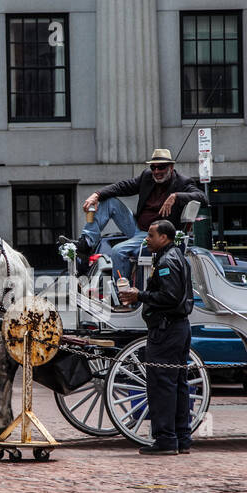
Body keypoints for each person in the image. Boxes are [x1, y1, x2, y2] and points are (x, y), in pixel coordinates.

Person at [73, 147, 206, 292]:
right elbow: (121, 187)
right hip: (137, 227)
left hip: (154, 235)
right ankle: (87, 242)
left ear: (171, 167)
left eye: (161, 167)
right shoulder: (147, 177)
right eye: (153, 167)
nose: (156, 171)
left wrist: (176, 196)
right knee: (109, 201)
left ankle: (122, 295)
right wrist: (96, 194)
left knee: (118, 251)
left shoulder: (183, 182)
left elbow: (202, 198)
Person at [119, 219, 195, 456]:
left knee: (162, 385)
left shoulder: (167, 261)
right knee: (178, 384)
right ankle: (181, 438)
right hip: (177, 328)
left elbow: (170, 297)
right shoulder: (175, 256)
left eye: (151, 235)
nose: (147, 239)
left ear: (164, 237)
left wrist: (139, 295)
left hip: (166, 330)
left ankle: (165, 439)